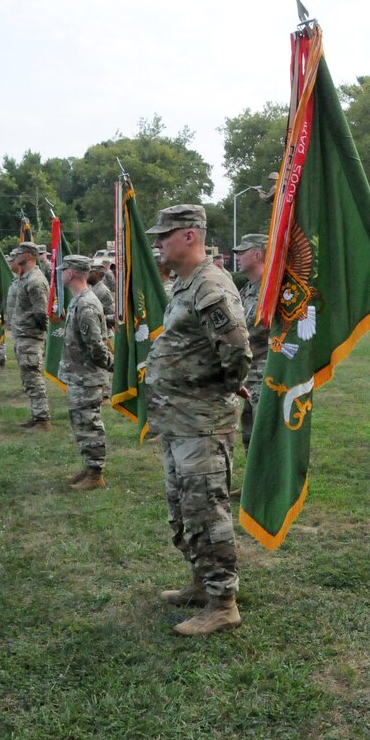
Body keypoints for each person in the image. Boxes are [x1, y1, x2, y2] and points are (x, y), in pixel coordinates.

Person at [144, 204, 251, 637]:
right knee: (184, 509)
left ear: (189, 235)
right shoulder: (184, 283)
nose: (158, 244)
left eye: (164, 236)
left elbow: (237, 352)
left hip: (202, 423)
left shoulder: (210, 285)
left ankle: (223, 603)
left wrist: (214, 391)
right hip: (178, 420)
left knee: (207, 512)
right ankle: (200, 582)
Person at [58, 255, 114, 490]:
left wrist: (112, 367)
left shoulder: (87, 303)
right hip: (79, 374)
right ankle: (89, 466)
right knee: (81, 424)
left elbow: (96, 346)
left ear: (71, 273)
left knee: (89, 424)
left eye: (63, 270)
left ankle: (96, 473)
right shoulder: (78, 300)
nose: (60, 273)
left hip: (88, 376)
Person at [233, 233, 270, 453]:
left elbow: (255, 329)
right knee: (249, 432)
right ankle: (253, 486)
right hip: (249, 372)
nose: (237, 255)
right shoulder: (247, 289)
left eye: (242, 251)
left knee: (263, 434)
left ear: (257, 254)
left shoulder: (270, 289)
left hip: (265, 372)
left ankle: (268, 487)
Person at [12, 242, 51, 430]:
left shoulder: (35, 280)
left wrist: (38, 332)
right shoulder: (24, 277)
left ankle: (42, 419)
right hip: (23, 334)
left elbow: (41, 312)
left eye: (18, 253)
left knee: (33, 377)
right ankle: (37, 415)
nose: (15, 256)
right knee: (28, 377)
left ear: (28, 256)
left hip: (31, 335)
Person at [87, 259, 116, 330]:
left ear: (98, 274)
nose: (87, 275)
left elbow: (112, 315)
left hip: (101, 332)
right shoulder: (91, 288)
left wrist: (96, 318)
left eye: (90, 272)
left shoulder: (103, 291)